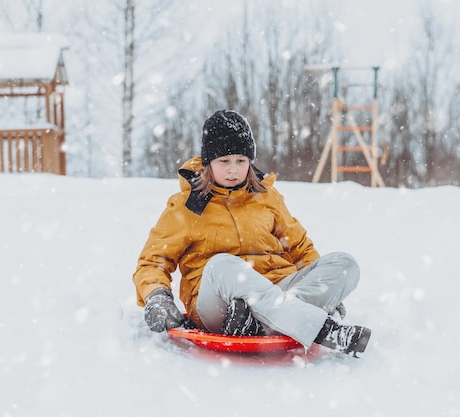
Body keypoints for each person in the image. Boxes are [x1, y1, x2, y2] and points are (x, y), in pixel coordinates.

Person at [132, 109, 371, 357]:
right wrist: (157, 296)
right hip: (220, 307)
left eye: (241, 161)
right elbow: (154, 261)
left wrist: (323, 289)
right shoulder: (186, 206)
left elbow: (300, 248)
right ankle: (320, 328)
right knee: (222, 265)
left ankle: (261, 323)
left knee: (345, 264)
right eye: (224, 162)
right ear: (208, 162)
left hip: (273, 292)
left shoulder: (267, 197)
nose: (233, 169)